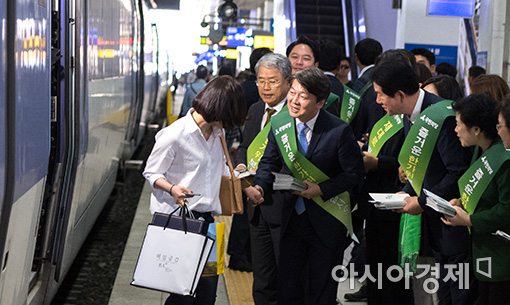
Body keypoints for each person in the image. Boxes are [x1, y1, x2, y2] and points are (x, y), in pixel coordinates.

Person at [246, 67, 364, 304]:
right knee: (289, 287)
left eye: (303, 96)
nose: (294, 101)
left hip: (326, 220)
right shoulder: (281, 124)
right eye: (293, 93)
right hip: (289, 220)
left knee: (321, 290)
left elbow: (354, 174)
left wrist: (320, 189)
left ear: (320, 102)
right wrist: (259, 187)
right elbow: (269, 162)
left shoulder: (338, 131)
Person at [372, 57, 474, 305]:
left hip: (451, 221)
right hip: (431, 222)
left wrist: (421, 201)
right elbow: (418, 168)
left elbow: (456, 172)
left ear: (398, 94)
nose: (377, 101)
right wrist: (405, 193)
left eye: (380, 95)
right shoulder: (410, 115)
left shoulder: (442, 116)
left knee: (455, 293)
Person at [143, 76, 246, 305]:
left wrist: (244, 182)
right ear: (219, 108)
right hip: (180, 222)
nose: (229, 125)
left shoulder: (217, 134)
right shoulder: (175, 134)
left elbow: (219, 170)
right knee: (182, 293)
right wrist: (172, 189)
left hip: (209, 223)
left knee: (208, 292)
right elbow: (151, 172)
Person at [233, 53, 292, 304]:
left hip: (284, 205)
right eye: (261, 81)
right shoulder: (256, 110)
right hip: (255, 205)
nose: (265, 88)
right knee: (262, 278)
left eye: (273, 81)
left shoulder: (294, 113)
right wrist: (241, 166)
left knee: (286, 277)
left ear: (289, 82)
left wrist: (263, 184)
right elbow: (246, 147)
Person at [442, 94, 510, 305]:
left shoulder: (503, 160)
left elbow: (506, 210)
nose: (455, 130)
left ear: (476, 129)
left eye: (458, 124)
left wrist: (469, 220)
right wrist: (461, 202)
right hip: (482, 251)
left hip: (500, 254)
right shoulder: (479, 152)